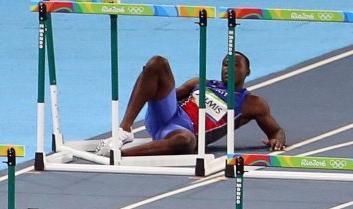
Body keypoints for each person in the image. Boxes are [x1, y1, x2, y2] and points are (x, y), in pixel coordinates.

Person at [95, 52, 286, 156]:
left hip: (180, 132)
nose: (227, 68)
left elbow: (276, 131)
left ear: (248, 71)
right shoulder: (199, 83)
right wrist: (149, 81)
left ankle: (121, 154)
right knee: (158, 63)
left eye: (235, 64)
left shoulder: (252, 104)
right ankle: (124, 130)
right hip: (168, 114)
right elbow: (166, 95)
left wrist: (277, 140)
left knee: (188, 142)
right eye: (225, 64)